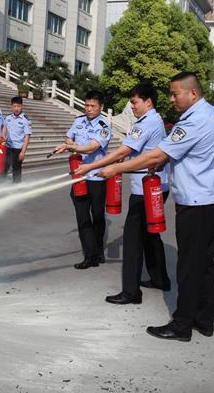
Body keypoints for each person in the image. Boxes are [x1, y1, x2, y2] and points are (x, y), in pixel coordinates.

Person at [97, 72, 214, 341]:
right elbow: (183, 153)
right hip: (213, 200)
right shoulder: (212, 112)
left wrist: (116, 168)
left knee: (189, 266)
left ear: (192, 93)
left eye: (174, 93)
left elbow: (157, 153)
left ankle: (181, 326)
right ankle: (205, 320)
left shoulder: (194, 121)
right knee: (204, 263)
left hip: (196, 203)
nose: (171, 98)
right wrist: (162, 162)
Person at [74, 82, 171, 304]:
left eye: (135, 102)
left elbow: (125, 150)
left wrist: (90, 167)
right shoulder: (153, 120)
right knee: (149, 235)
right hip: (156, 187)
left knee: (132, 239)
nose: (132, 106)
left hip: (145, 190)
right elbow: (130, 152)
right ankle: (160, 279)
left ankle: (131, 292)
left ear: (148, 102)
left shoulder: (146, 122)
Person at [54, 90, 111, 269]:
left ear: (101, 107)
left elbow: (90, 148)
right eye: (86, 105)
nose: (88, 109)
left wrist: (70, 147)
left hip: (96, 177)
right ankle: (90, 255)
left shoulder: (104, 126)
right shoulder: (79, 120)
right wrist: (67, 142)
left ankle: (98, 249)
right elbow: (69, 136)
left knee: (98, 215)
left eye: (93, 106)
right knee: (82, 217)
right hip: (79, 176)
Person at [4, 96, 32, 184]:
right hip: (8, 147)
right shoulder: (8, 118)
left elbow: (27, 136)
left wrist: (23, 152)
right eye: (14, 106)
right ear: (11, 106)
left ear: (22, 106)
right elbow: (4, 129)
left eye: (18, 106)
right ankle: (0, 184)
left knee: (16, 169)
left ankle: (16, 187)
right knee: (4, 167)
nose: (16, 108)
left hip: (17, 149)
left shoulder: (25, 120)